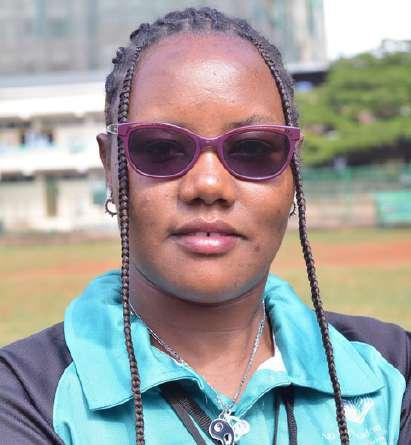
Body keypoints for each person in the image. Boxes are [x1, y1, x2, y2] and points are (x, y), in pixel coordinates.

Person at [0, 7, 409, 445]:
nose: (209, 185)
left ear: (293, 170)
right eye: (161, 148)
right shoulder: (24, 396)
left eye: (253, 149)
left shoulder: (391, 371)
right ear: (110, 168)